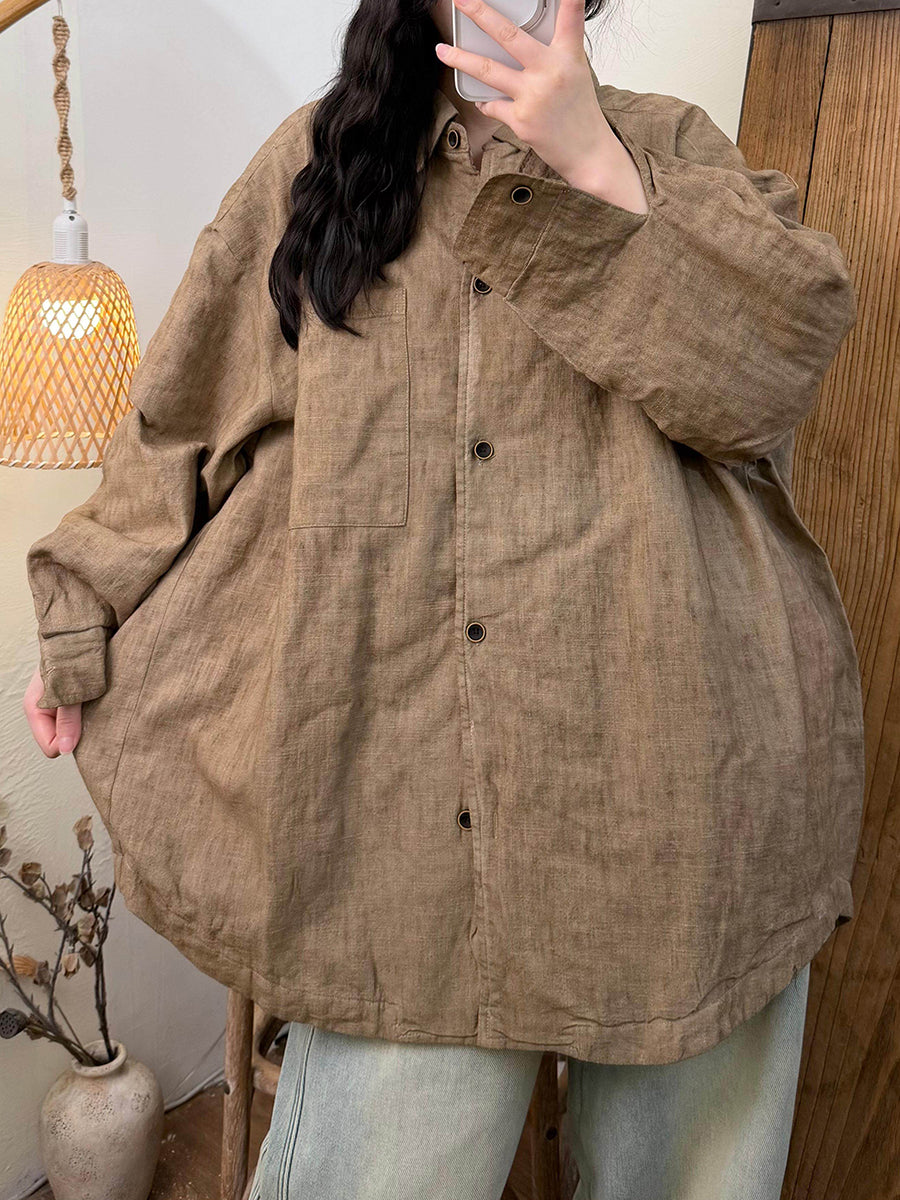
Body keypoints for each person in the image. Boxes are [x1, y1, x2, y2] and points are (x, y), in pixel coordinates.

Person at [23, 0, 865, 1196]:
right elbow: (180, 423)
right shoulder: (318, 167)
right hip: (398, 813)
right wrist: (81, 611)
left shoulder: (672, 149)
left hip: (680, 797)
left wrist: (596, 164)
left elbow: (772, 373)